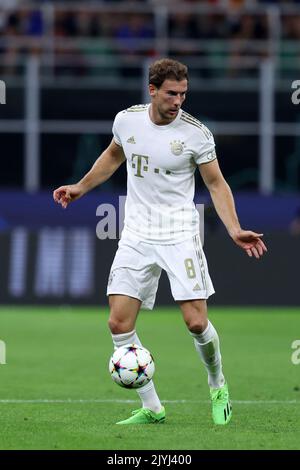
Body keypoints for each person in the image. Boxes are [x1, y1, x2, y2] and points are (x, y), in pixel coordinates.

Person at [53, 58, 267, 426]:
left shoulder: (196, 134)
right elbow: (113, 156)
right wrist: (79, 187)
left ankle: (218, 385)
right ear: (152, 90)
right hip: (136, 232)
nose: (178, 101)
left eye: (183, 94)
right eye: (171, 93)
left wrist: (233, 228)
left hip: (180, 233)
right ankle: (152, 407)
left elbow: (216, 183)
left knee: (196, 323)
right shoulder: (127, 120)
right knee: (119, 324)